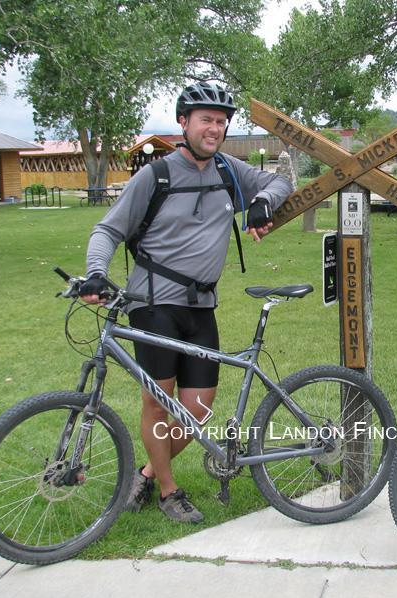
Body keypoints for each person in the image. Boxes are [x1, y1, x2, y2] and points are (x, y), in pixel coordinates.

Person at [79, 82, 292, 523]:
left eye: (221, 121)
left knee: (196, 411)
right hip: (153, 302)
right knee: (159, 403)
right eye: (205, 120)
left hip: (201, 307)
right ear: (183, 123)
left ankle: (145, 472)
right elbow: (108, 230)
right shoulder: (155, 175)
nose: (214, 128)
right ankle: (169, 491)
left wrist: (260, 203)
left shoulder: (228, 170)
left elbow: (281, 181)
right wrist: (97, 272)